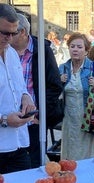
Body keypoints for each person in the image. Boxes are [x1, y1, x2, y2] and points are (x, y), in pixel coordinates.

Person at [10, 13, 63, 168]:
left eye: (12, 33)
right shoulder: (6, 51)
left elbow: (54, 86)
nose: (7, 38)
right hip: (10, 119)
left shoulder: (42, 50)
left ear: (23, 33)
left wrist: (40, 113)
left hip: (34, 119)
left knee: (34, 162)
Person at [0, 3, 36, 174]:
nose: (9, 38)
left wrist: (26, 97)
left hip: (19, 143)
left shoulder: (12, 53)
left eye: (13, 33)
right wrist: (5, 120)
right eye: (5, 32)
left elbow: (20, 87)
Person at [59, 32, 94, 160]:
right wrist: (59, 83)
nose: (75, 50)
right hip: (69, 120)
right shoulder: (62, 68)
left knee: (90, 154)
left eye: (79, 47)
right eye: (72, 46)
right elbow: (55, 94)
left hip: (89, 118)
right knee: (72, 153)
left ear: (86, 50)